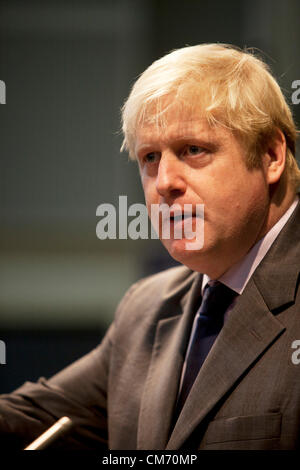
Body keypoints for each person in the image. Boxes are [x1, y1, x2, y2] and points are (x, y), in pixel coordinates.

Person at [1, 43, 300, 450]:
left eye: (193, 150)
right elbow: (30, 419)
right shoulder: (146, 307)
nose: (164, 183)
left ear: (271, 156)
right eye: (150, 157)